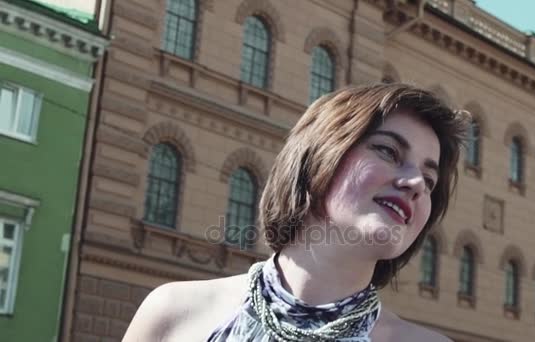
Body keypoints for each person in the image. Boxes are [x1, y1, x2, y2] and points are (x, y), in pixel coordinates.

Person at [123, 83, 469, 341]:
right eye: (388, 151)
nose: (415, 183)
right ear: (319, 158)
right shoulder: (173, 314)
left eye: (429, 178)